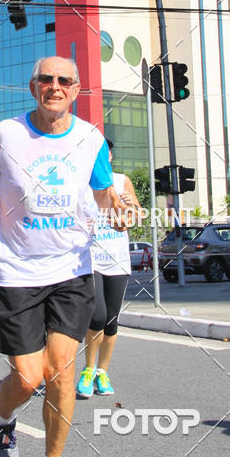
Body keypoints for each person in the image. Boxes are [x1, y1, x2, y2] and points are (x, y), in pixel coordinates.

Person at [0, 56, 131, 457]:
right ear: (33, 86)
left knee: (62, 371)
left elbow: (103, 192)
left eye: (64, 80)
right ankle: (0, 416)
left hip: (72, 269)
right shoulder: (6, 134)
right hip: (18, 270)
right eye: (47, 79)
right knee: (28, 378)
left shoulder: (90, 139)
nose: (55, 86)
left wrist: (117, 208)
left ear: (77, 89)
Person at [76, 140, 140, 399]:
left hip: (117, 258)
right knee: (98, 316)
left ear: (109, 157)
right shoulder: (80, 183)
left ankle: (102, 372)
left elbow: (136, 212)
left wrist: (130, 210)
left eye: (104, 153)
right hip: (89, 258)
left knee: (111, 321)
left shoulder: (122, 180)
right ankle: (87, 370)